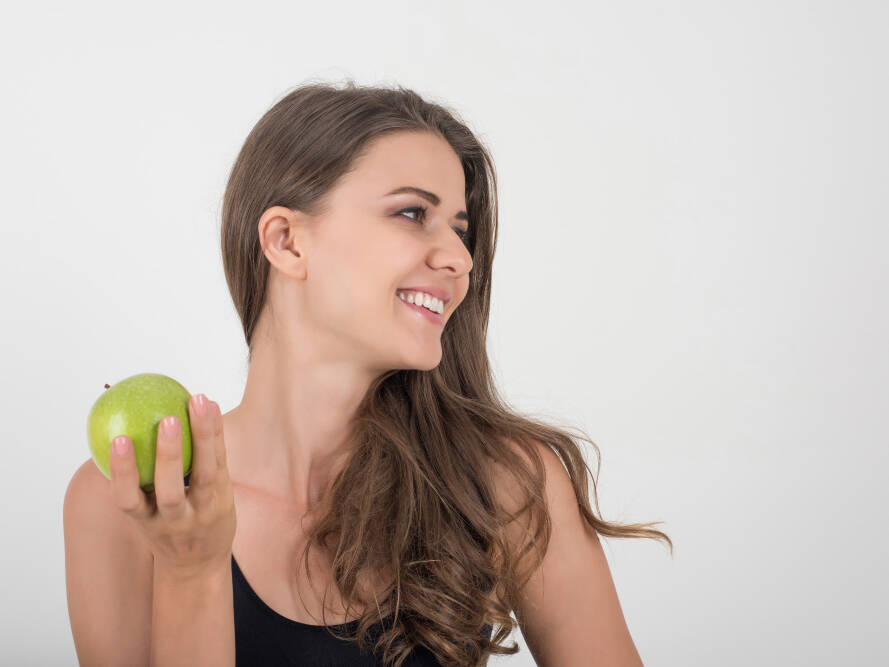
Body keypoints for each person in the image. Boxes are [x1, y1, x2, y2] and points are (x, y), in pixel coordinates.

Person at [64, 80, 673, 666]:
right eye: (412, 213)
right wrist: (191, 570)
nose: (459, 258)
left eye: (460, 231)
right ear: (287, 242)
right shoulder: (124, 497)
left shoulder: (507, 484)